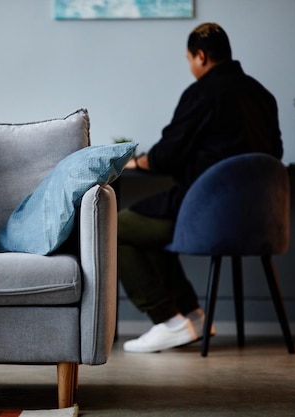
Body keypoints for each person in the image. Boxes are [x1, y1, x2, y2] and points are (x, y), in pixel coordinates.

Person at [118, 23, 283, 353]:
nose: (192, 66)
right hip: (258, 223)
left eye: (190, 59)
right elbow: (274, 155)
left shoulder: (202, 93)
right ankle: (192, 315)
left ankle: (168, 320)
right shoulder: (262, 95)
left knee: (116, 226)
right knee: (148, 230)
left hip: (208, 216)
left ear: (201, 57)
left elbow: (166, 156)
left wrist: (135, 162)